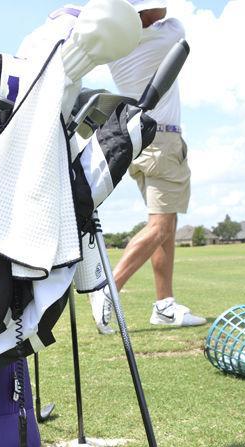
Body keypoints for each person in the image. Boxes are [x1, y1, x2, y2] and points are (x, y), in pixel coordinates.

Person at [90, 0, 205, 333]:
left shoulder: (118, 47)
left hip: (142, 143)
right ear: (139, 15)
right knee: (159, 227)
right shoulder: (165, 37)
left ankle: (165, 305)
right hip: (164, 144)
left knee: (164, 227)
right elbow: (172, 20)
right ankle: (109, 288)